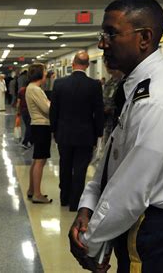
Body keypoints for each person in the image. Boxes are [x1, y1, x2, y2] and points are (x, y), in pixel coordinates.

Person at [69, 0, 163, 273]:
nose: (102, 43)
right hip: (138, 225)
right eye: (102, 33)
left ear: (144, 38)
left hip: (154, 232)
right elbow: (114, 159)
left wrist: (89, 242)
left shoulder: (156, 101)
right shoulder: (137, 89)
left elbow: (131, 191)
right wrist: (87, 206)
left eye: (111, 33)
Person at [50, 50, 104, 211]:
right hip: (86, 135)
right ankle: (75, 203)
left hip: (64, 133)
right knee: (80, 169)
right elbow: (98, 111)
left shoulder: (59, 84)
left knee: (65, 165)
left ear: (73, 64)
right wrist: (99, 134)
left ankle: (64, 198)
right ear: (87, 66)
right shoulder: (94, 85)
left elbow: (54, 110)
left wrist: (54, 130)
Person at [25, 63, 52, 204]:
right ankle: (37, 193)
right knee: (40, 160)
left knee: (37, 159)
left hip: (37, 125)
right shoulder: (35, 89)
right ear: (39, 74)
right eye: (45, 71)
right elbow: (47, 109)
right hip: (41, 125)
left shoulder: (33, 88)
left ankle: (31, 189)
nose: (46, 74)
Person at [101, 63, 124, 146]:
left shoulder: (123, 82)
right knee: (107, 144)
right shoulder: (109, 82)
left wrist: (111, 108)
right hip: (107, 121)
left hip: (117, 121)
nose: (106, 66)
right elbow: (105, 98)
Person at [16, 80, 32, 149]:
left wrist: (18, 112)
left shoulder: (21, 90)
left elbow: (18, 102)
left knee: (28, 126)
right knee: (29, 126)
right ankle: (25, 142)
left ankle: (31, 141)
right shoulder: (31, 91)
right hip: (30, 110)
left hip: (23, 110)